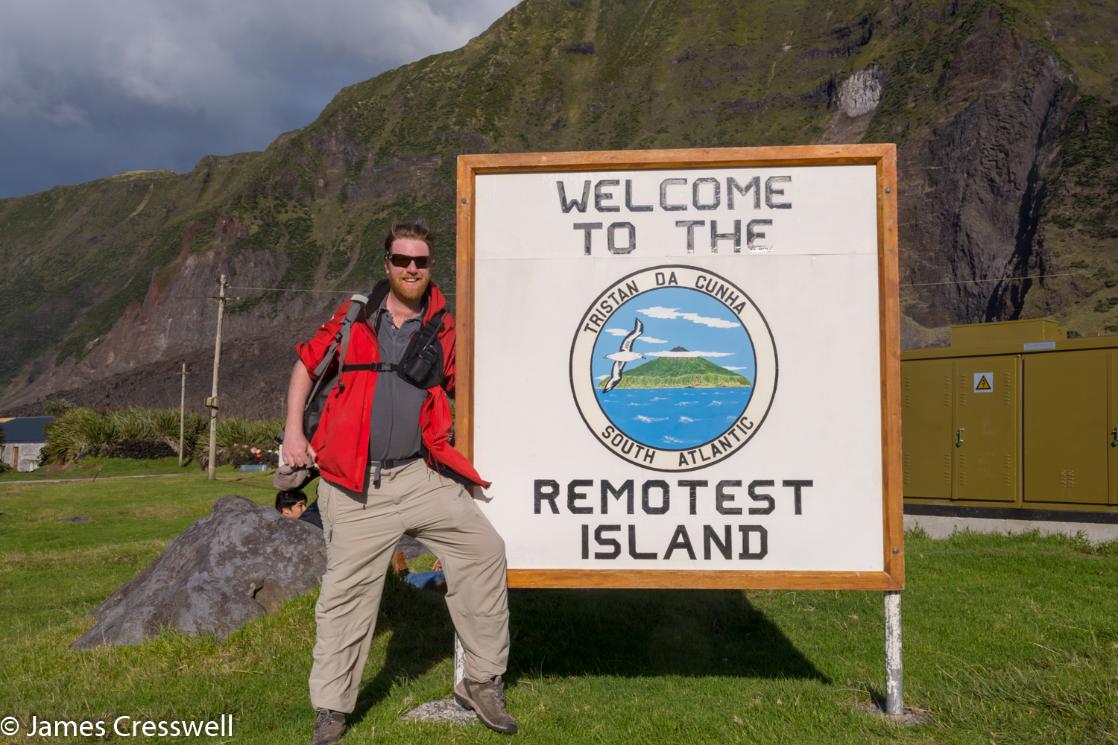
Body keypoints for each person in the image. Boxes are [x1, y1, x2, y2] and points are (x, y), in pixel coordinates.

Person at [282, 223, 515, 744]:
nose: (413, 268)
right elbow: (305, 367)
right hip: (351, 487)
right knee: (346, 598)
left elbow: (471, 385)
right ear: (386, 262)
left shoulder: (444, 325)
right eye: (403, 259)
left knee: (483, 550)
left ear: (431, 267)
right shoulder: (353, 316)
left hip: (417, 476)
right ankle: (332, 711)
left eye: (422, 261)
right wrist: (294, 432)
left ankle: (482, 680)